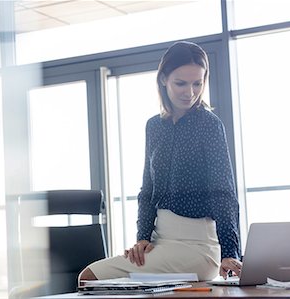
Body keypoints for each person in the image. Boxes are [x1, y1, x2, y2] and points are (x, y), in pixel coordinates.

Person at [78, 41, 242, 284]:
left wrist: (230, 253)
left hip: (198, 247)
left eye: (198, 83)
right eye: (181, 83)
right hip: (159, 241)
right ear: (164, 79)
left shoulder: (209, 124)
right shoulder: (154, 126)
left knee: (90, 277)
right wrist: (142, 238)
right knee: (90, 279)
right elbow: (148, 190)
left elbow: (223, 192)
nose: (190, 92)